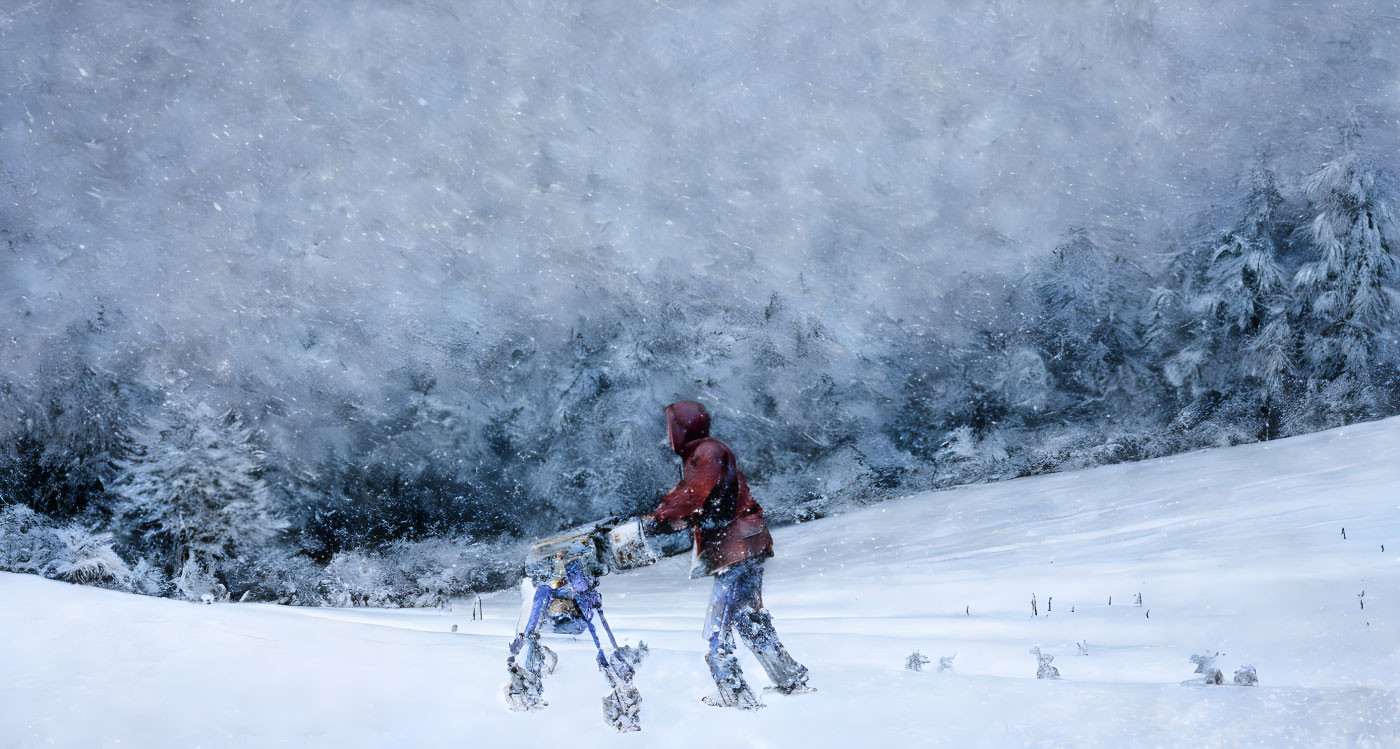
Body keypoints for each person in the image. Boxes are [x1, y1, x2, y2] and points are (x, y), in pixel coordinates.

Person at [642, 401, 811, 709]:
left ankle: (734, 693)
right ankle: (788, 677)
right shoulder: (706, 453)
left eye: (671, 429)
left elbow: (693, 495)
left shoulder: (706, 452)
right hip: (746, 542)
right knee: (748, 614)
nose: (668, 439)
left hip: (735, 545)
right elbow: (691, 495)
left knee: (718, 622)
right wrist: (668, 512)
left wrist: (660, 518)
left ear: (682, 429)